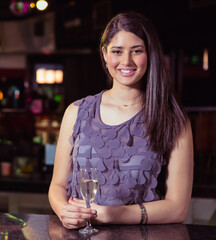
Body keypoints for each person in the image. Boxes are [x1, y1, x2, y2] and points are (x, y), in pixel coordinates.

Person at [48, 12, 193, 229]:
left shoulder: (172, 119)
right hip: (80, 234)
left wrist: (116, 214)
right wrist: (64, 211)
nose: (127, 61)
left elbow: (178, 208)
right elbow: (57, 185)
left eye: (137, 51)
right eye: (117, 51)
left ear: (150, 54)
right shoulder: (76, 112)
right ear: (105, 54)